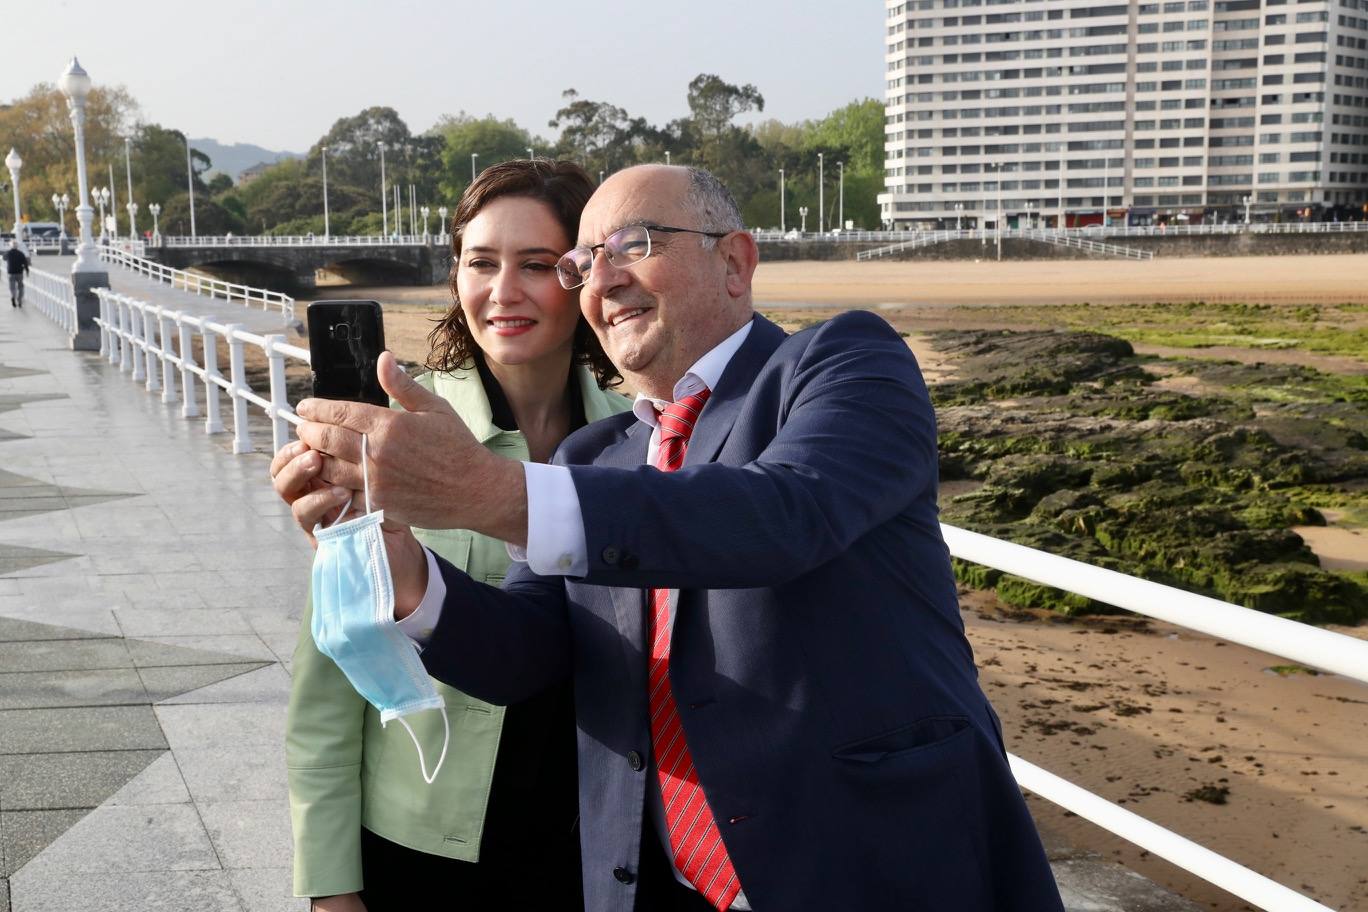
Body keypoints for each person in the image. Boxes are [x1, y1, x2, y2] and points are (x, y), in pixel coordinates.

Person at [283, 165, 1064, 912]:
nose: (604, 277)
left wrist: (490, 492)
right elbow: (527, 651)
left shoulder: (842, 363)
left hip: (870, 868)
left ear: (736, 260)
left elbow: (782, 515)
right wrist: (405, 567)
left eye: (635, 244)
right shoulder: (597, 455)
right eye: (585, 263)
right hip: (664, 887)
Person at [277, 159, 630, 912]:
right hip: (426, 843)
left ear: (583, 277)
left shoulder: (635, 445)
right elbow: (327, 688)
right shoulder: (394, 440)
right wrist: (331, 886)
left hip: (598, 846)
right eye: (481, 263)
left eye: (536, 265)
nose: (503, 292)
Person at [5, 240, 29, 308]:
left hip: (11, 273)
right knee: (20, 287)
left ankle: (13, 296)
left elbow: (4, 258)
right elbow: (25, 262)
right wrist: (27, 270)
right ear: (17, 246)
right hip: (19, 273)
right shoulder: (20, 253)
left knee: (12, 287)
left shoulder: (8, 253)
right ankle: (19, 300)